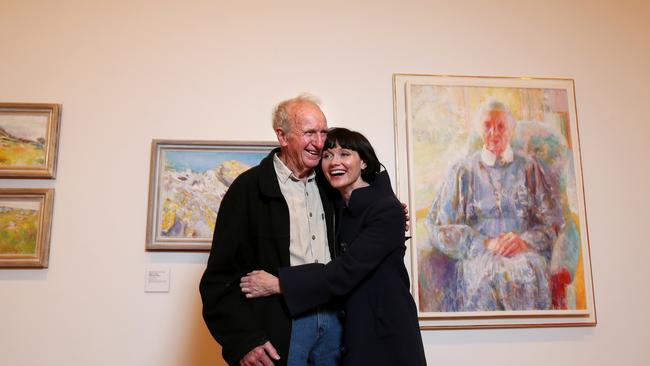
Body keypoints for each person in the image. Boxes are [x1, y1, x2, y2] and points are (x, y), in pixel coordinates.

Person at [241, 128, 427, 366]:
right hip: (351, 330)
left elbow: (345, 270)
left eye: (345, 154)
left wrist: (279, 284)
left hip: (385, 331)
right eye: (327, 156)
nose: (334, 162)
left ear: (364, 162)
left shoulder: (386, 210)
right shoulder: (337, 208)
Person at [199, 94, 343, 366]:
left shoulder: (332, 184)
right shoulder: (247, 189)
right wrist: (243, 340)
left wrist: (392, 212)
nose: (320, 143)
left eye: (324, 132)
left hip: (334, 323)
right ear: (282, 136)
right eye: (309, 133)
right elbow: (219, 281)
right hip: (281, 328)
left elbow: (367, 175)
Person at [424, 99, 565, 311]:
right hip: (479, 258)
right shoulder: (463, 171)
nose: (494, 133)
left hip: (524, 256)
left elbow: (553, 222)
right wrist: (484, 243)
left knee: (524, 274)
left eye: (501, 126)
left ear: (511, 130)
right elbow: (437, 226)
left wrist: (524, 241)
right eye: (487, 126)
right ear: (479, 129)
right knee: (488, 276)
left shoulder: (529, 167)